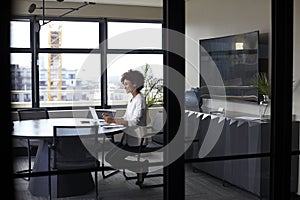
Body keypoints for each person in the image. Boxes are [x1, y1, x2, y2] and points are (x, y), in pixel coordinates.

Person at [102, 69, 149, 184]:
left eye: (126, 84)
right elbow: (126, 118)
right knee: (109, 157)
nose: (125, 87)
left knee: (112, 159)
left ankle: (141, 167)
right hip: (128, 138)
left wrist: (113, 120)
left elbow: (133, 122)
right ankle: (140, 167)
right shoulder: (132, 99)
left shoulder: (140, 100)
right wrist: (111, 122)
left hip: (137, 140)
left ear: (135, 84)